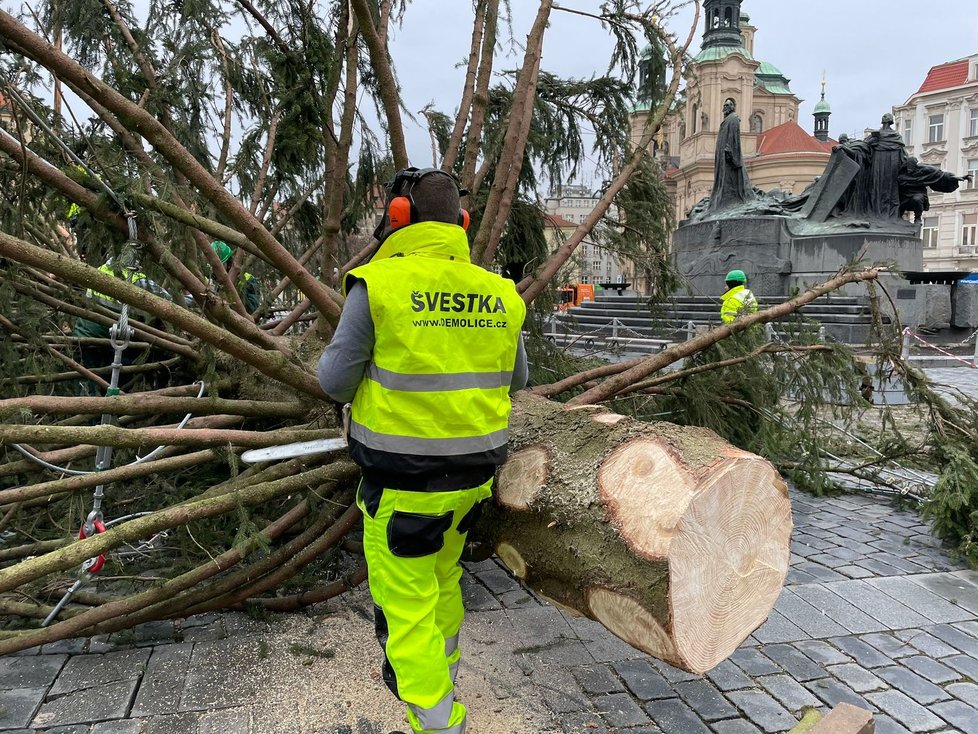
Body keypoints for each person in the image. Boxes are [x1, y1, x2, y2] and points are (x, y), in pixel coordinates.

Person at [317, 167, 528, 734]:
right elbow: (516, 378)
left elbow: (333, 382)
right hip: (474, 483)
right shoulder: (500, 293)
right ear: (461, 222)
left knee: (405, 607)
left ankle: (439, 722)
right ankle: (445, 675)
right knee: (442, 582)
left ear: (398, 218)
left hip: (402, 487)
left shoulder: (378, 285)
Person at [72, 253, 172, 395]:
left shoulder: (101, 270)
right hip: (110, 336)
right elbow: (170, 301)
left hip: (84, 335)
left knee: (88, 381)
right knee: (125, 368)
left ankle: (93, 410)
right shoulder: (138, 280)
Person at [708, 98, 754, 213]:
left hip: (728, 154)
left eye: (729, 105)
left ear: (732, 107)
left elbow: (733, 136)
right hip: (723, 154)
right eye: (725, 105)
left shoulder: (733, 118)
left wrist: (729, 151)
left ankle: (730, 199)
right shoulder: (728, 119)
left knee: (730, 179)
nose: (726, 107)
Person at [210, 240, 262, 313]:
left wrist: (234, 292)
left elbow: (252, 309)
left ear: (228, 264)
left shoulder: (248, 280)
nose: (215, 270)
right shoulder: (211, 281)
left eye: (219, 266)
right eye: (213, 267)